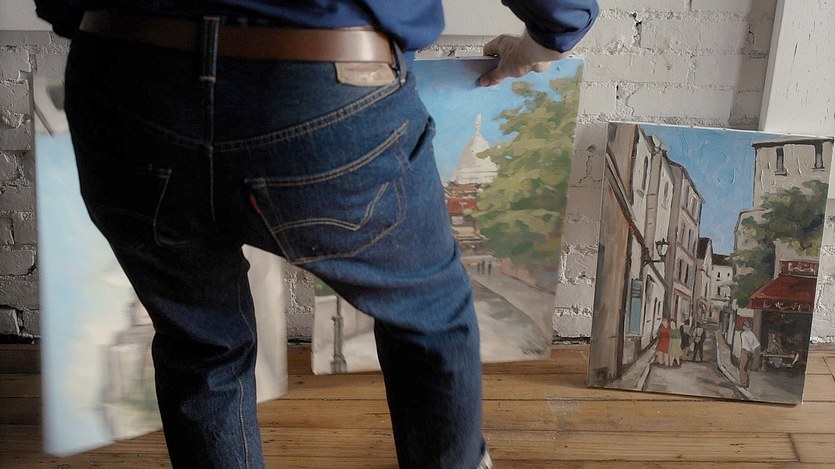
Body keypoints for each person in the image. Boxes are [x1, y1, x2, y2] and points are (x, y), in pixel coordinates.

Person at [34, 1, 599, 468]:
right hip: (322, 84)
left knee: (200, 343)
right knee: (430, 317)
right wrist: (550, 34)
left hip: (124, 74)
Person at [739, 320, 760, 388]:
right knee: (748, 368)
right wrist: (752, 349)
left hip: (745, 352)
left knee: (742, 367)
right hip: (751, 352)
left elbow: (744, 344)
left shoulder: (743, 334)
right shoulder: (752, 334)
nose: (743, 327)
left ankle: (743, 382)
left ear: (745, 326)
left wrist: (748, 349)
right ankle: (747, 383)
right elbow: (757, 343)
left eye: (743, 326)